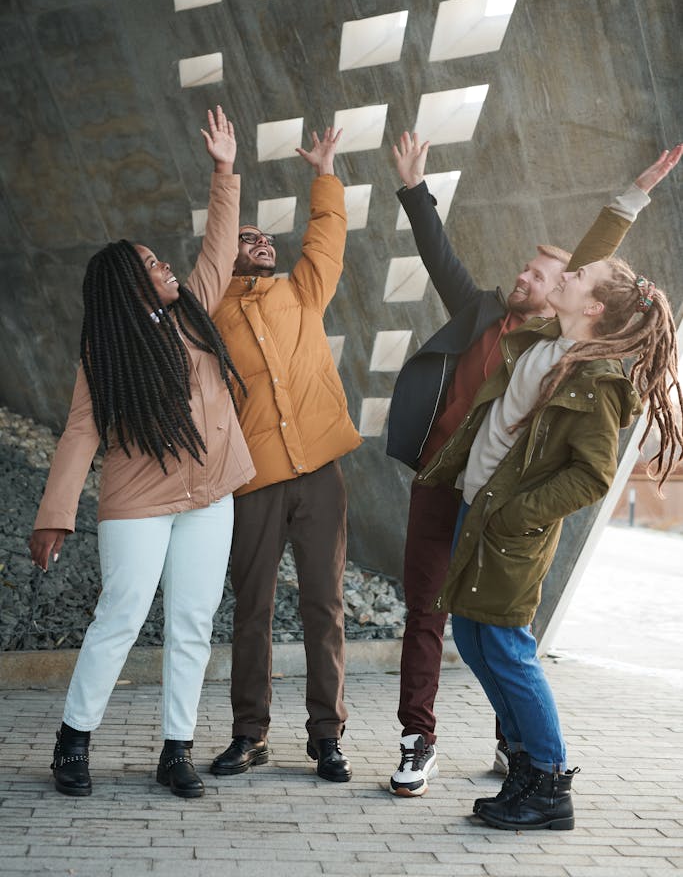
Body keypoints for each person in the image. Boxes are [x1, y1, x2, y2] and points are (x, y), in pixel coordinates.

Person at [386, 134, 683, 796]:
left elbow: (591, 474)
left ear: (589, 305)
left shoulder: (594, 375)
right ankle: (522, 762)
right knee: (473, 638)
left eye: (569, 277)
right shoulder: (549, 336)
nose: (560, 274)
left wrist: (514, 510)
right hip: (473, 504)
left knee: (508, 650)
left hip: (505, 522)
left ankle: (545, 780)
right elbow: (593, 259)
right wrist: (632, 195)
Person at [28, 106, 255, 799]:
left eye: (160, 259)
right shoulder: (107, 350)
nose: (166, 266)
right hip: (140, 500)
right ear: (128, 288)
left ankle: (175, 749)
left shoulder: (192, 310)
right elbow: (79, 433)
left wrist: (224, 172)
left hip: (209, 497)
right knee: (122, 616)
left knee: (191, 621)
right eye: (152, 264)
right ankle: (73, 741)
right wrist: (54, 513)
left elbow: (218, 251)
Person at [210, 126, 361, 783]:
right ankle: (250, 733)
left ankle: (326, 736)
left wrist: (324, 173)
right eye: (245, 239)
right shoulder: (207, 313)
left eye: (264, 236)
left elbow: (326, 236)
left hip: (321, 475)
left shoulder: (300, 292)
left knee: (324, 606)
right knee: (253, 608)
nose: (260, 241)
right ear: (224, 254)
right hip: (255, 484)